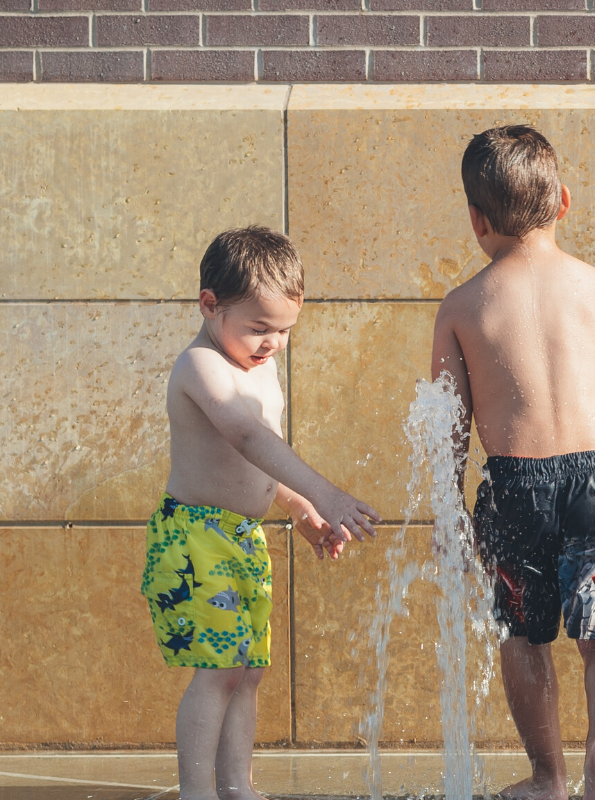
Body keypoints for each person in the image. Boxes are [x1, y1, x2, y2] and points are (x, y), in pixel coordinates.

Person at [430, 125, 595, 800]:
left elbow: (449, 423)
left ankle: (547, 777)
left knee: (523, 635)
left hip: (514, 486)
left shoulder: (462, 305)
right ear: (564, 200)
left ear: (477, 219)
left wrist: (448, 505)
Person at [145, 226, 380, 800]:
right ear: (209, 305)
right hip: (195, 538)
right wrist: (324, 492)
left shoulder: (258, 365)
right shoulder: (202, 367)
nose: (272, 342)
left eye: (284, 331)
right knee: (219, 670)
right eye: (259, 328)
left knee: (248, 671)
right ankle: (197, 791)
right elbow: (247, 436)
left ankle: (237, 787)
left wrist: (299, 508)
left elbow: (256, 463)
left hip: (243, 537)